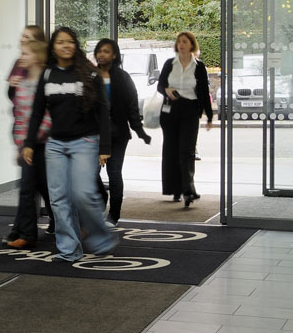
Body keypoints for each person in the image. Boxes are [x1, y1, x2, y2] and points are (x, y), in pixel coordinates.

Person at [25, 27, 116, 262]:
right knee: (58, 198)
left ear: (75, 46)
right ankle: (69, 250)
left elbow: (104, 111)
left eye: (69, 42)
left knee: (83, 193)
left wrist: (105, 147)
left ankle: (101, 236)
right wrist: (29, 143)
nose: (65, 46)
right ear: (53, 48)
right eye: (60, 42)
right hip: (55, 144)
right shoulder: (47, 75)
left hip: (85, 141)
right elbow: (36, 113)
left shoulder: (90, 74)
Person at [93, 38, 151, 226]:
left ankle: (114, 215)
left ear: (115, 55)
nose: (102, 54)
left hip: (118, 135)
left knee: (114, 173)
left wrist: (140, 131)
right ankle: (101, 200)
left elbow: (132, 108)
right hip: (94, 133)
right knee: (90, 174)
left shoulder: (124, 78)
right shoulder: (91, 77)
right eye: (99, 51)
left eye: (107, 51)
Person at [5, 39, 53, 248]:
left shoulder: (48, 81)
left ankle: (70, 224)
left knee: (49, 189)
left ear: (37, 57)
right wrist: (22, 145)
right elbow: (20, 116)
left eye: (25, 54)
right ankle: (27, 234)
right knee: (27, 188)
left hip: (45, 144)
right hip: (28, 146)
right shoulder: (22, 84)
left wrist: (32, 141)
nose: (21, 57)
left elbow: (48, 116)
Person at [157, 31, 213, 207]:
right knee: (171, 150)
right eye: (179, 41)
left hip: (190, 109)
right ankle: (174, 189)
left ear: (192, 45)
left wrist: (210, 115)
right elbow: (160, 85)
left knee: (186, 151)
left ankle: (188, 191)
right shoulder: (169, 64)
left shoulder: (199, 66)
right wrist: (167, 90)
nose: (181, 44)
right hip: (170, 110)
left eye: (185, 41)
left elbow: (204, 92)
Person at [7, 25, 47, 97]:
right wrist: (11, 86)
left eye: (26, 37)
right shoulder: (18, 63)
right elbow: (11, 96)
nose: (22, 39)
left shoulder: (47, 66)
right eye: (22, 36)